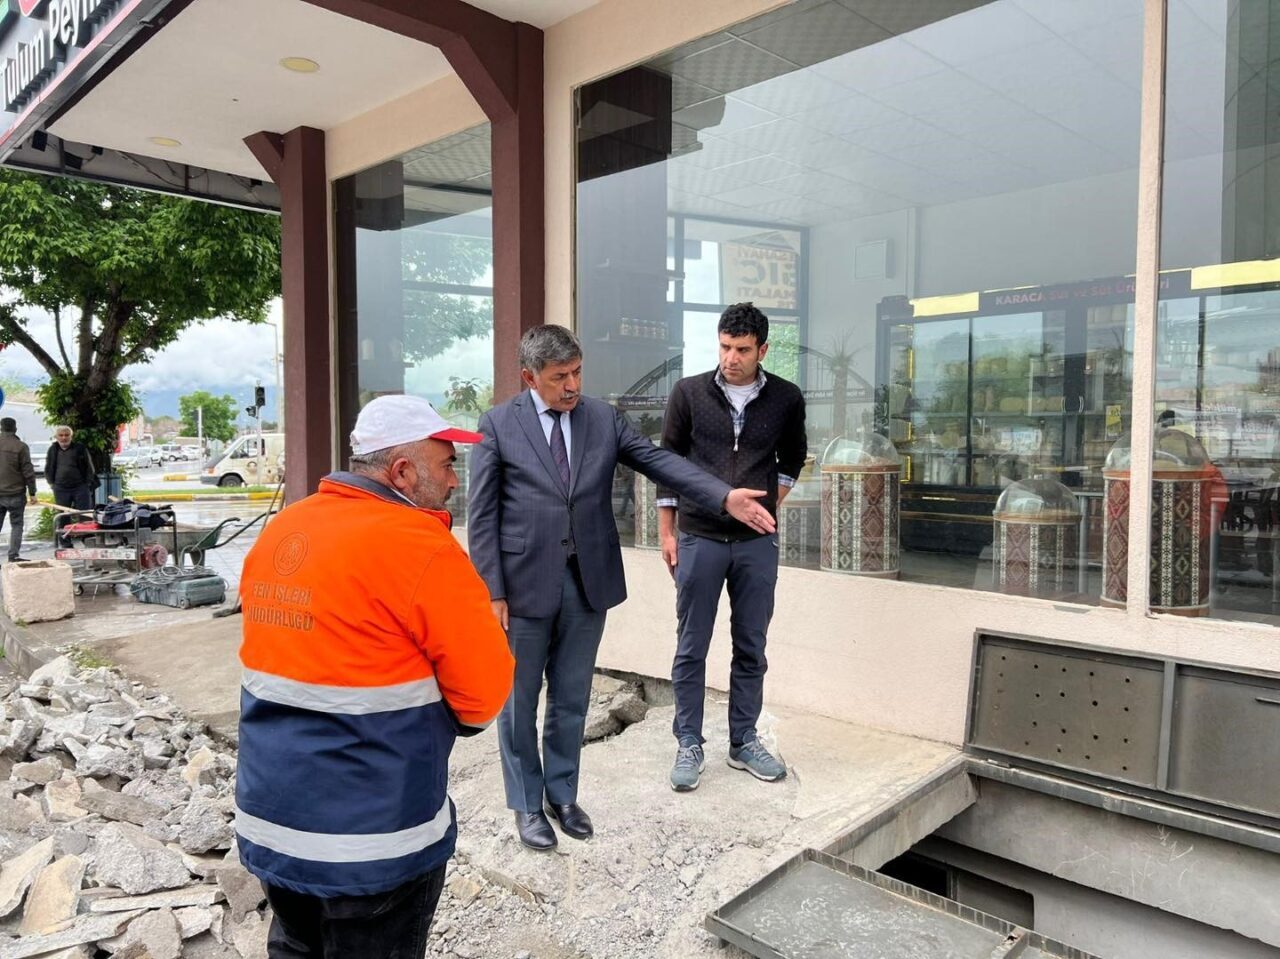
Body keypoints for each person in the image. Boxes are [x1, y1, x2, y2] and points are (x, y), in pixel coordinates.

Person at [468, 325, 776, 851]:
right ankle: (525, 804)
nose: (571, 386)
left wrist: (722, 496)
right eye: (559, 377)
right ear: (529, 377)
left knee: (571, 696)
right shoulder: (498, 426)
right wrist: (491, 591)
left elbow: (662, 462)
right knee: (518, 703)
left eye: (577, 373)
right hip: (521, 587)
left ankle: (562, 794)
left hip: (587, 582)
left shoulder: (602, 418)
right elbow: (482, 517)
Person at [235, 394, 515, 959]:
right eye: (445, 464)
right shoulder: (421, 548)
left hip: (273, 822)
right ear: (403, 472)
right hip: (373, 843)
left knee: (295, 947)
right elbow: (483, 696)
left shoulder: (281, 531)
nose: (455, 480)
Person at [658, 303, 807, 792]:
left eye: (742, 349)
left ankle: (743, 740)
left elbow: (794, 456)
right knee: (691, 646)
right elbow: (668, 463)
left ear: (763, 349)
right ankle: (688, 743)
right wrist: (667, 531)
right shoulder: (688, 393)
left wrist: (770, 504)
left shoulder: (786, 397)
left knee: (751, 646)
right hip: (698, 537)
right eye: (725, 347)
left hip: (755, 545)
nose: (731, 358)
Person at [0, 418, 38, 563]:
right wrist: (32, 492)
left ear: (1, 428)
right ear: (15, 429)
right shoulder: (21, 447)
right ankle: (13, 555)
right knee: (16, 525)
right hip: (15, 493)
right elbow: (28, 471)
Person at [45, 426, 97, 512]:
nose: (64, 437)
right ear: (56, 437)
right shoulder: (53, 450)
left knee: (84, 515)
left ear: (71, 436)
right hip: (60, 488)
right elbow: (48, 467)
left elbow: (89, 467)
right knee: (62, 517)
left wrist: (87, 484)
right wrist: (51, 483)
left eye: (66, 435)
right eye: (61, 435)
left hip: (80, 487)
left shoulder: (80, 448)